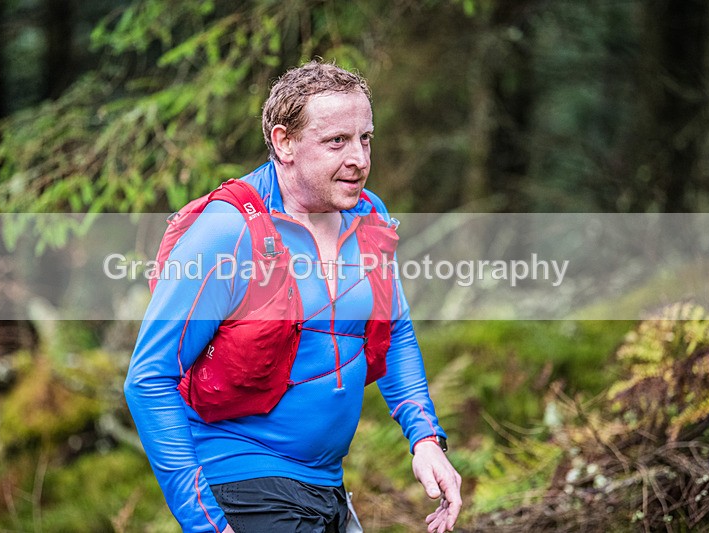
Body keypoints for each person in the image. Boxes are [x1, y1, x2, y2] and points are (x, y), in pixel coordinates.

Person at [124, 61, 462, 533]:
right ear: (284, 143)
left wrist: (425, 439)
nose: (359, 159)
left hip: (329, 488)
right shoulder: (229, 232)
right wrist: (204, 523)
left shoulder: (368, 216)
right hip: (244, 483)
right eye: (336, 142)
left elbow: (395, 329)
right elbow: (148, 379)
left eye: (365, 138)